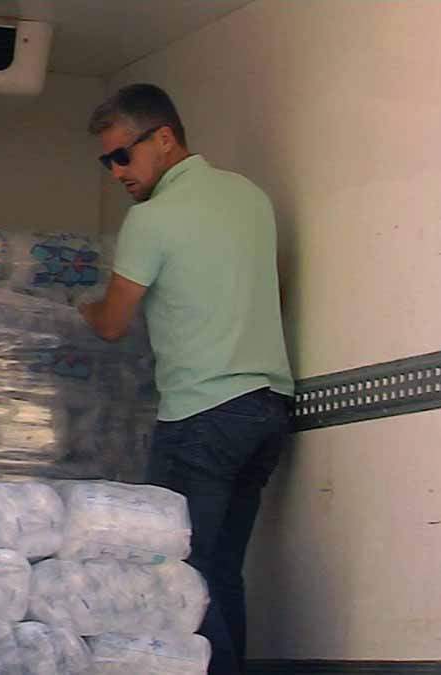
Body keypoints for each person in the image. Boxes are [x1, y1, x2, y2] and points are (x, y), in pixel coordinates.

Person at [79, 83, 293, 675]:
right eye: (108, 161)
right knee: (221, 571)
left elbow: (113, 323)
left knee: (174, 571)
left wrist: (81, 307)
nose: (116, 171)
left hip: (201, 419)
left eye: (123, 155)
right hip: (266, 411)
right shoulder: (251, 198)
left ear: (165, 138)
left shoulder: (152, 220)